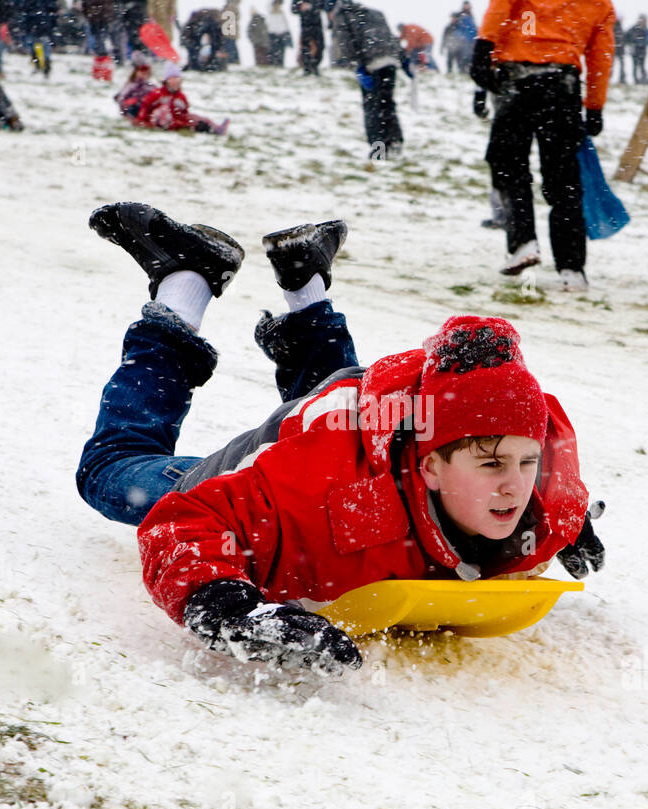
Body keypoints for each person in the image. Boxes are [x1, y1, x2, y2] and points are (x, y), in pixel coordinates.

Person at [77, 202, 602, 673]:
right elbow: (185, 522)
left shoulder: (536, 474)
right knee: (110, 468)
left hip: (359, 424)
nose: (517, 486)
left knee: (347, 432)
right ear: (430, 465)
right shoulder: (310, 487)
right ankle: (185, 277)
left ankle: (305, 282)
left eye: (525, 463)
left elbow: (544, 477)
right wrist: (224, 604)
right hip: (307, 458)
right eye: (491, 466)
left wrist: (562, 520)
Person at [472, 0, 612, 289]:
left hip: (518, 83)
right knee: (564, 181)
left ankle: (524, 242)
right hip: (563, 87)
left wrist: (484, 48)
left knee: (508, 164)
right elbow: (601, 54)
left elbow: (501, 8)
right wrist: (595, 105)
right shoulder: (600, 3)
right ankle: (572, 269)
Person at [328, 0, 404, 159]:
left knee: (372, 107)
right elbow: (390, 38)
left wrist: (358, 66)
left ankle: (379, 149)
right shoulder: (374, 13)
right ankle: (395, 140)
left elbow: (346, 43)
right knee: (387, 102)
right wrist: (401, 58)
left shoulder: (342, 16)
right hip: (389, 61)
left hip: (372, 65)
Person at [133, 60, 231, 132]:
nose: (176, 81)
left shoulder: (180, 97)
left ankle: (216, 129)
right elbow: (145, 107)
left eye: (178, 79)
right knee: (164, 112)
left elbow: (184, 113)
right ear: (167, 80)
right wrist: (143, 121)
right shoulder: (158, 94)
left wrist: (190, 121)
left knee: (198, 118)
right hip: (162, 122)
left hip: (177, 121)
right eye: (173, 78)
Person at [296, 0, 324, 75]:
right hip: (305, 25)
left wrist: (312, 6)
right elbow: (293, 9)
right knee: (305, 47)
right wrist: (300, 6)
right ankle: (307, 67)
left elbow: (323, 5)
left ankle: (315, 66)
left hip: (317, 25)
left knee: (319, 47)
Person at [267, 0, 292, 66]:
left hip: (282, 35)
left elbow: (285, 25)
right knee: (273, 51)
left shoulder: (282, 13)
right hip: (273, 35)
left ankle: (280, 64)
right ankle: (273, 64)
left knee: (281, 51)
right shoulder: (270, 13)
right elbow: (270, 26)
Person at [626, 14, 648, 84]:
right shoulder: (634, 28)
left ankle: (644, 79)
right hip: (635, 51)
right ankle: (636, 80)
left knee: (642, 66)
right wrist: (632, 43)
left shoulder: (646, 29)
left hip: (642, 51)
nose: (643, 21)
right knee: (635, 66)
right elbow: (626, 36)